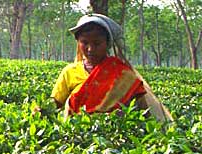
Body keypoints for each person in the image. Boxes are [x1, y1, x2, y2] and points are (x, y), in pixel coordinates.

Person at [35, 14, 172, 121]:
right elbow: (56, 102)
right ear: (78, 42)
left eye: (97, 43)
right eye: (84, 42)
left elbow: (143, 109)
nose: (90, 48)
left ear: (107, 44)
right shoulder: (69, 72)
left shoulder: (122, 73)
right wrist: (43, 108)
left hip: (114, 137)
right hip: (77, 136)